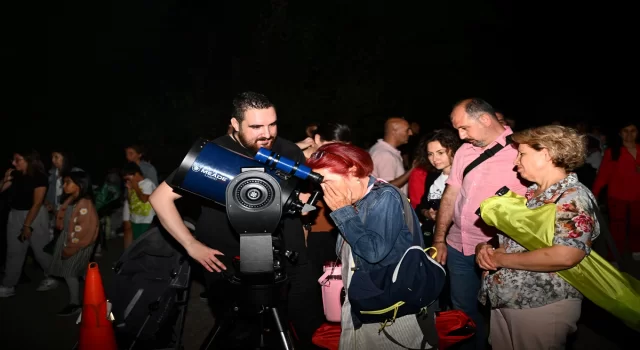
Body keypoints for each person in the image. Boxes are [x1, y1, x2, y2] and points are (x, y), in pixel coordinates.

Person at [149, 91, 324, 349]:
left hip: (289, 260)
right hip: (231, 265)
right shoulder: (212, 155)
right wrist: (190, 244)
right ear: (235, 123)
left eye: (272, 124)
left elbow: (301, 202)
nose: (266, 133)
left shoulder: (288, 151)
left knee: (302, 332)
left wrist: (304, 223)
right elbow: (160, 198)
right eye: (255, 127)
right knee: (241, 339)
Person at [477, 125, 600, 349]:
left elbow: (566, 255)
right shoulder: (533, 193)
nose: (516, 161)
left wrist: (500, 260)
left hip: (541, 306)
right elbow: (518, 243)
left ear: (546, 154)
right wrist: (486, 249)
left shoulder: (573, 197)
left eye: (522, 153)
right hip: (508, 299)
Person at [306, 142, 436, 349]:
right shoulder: (357, 200)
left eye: (328, 181)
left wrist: (342, 212)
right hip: (366, 302)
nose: (324, 189)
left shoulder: (385, 197)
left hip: (390, 307)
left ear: (354, 170)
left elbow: (373, 253)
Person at [432, 98, 528, 349]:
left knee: (505, 317)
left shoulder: (522, 151)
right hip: (458, 247)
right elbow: (451, 194)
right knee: (462, 315)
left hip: (499, 253)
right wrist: (440, 239)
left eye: (465, 128)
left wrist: (505, 248)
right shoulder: (465, 151)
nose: (461, 136)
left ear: (485, 120)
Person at [0, 149, 59, 297]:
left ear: (28, 161)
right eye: (13, 160)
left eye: (17, 160)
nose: (13, 163)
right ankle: (8, 285)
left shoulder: (39, 177)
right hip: (15, 214)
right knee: (14, 251)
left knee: (40, 251)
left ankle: (53, 276)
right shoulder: (15, 174)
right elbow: (1, 189)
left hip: (35, 216)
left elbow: (37, 203)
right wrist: (5, 179)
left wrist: (26, 226)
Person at [48, 171, 99, 316]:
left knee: (70, 272)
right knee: (69, 272)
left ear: (79, 185)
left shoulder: (84, 204)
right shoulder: (73, 199)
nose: (64, 185)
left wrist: (71, 248)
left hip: (77, 243)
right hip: (70, 238)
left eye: (68, 182)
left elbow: (84, 231)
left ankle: (75, 303)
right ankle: (77, 299)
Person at [592, 121, 640, 259]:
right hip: (617, 196)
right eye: (626, 131)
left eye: (633, 131)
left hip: (638, 196)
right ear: (620, 134)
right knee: (616, 228)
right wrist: (594, 194)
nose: (629, 134)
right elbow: (603, 176)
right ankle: (614, 255)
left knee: (637, 225)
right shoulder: (613, 152)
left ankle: (636, 248)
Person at [122, 162, 157, 249]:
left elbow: (144, 199)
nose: (128, 181)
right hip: (135, 218)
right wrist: (130, 190)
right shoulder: (134, 185)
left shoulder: (148, 183)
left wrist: (136, 187)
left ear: (136, 174)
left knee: (145, 243)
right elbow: (131, 202)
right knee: (137, 242)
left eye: (129, 178)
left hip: (146, 220)